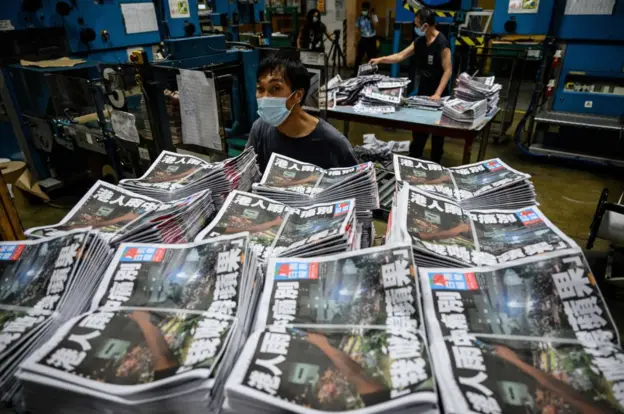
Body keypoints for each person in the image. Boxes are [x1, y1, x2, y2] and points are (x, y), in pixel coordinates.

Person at [246, 55, 358, 172]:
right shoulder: (260, 129)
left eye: (276, 88)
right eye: (260, 89)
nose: (265, 97)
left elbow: (357, 181)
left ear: (298, 95)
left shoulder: (333, 143)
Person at [370, 8, 452, 163]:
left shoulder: (442, 42)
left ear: (425, 26)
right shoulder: (420, 42)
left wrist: (437, 94)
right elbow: (400, 56)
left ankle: (436, 162)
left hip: (439, 93)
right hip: (423, 91)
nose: (415, 27)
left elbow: (448, 70)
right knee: (419, 130)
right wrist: (381, 59)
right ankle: (415, 158)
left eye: (417, 24)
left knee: (437, 133)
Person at [353, 2, 378, 74]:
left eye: (365, 10)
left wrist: (371, 17)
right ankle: (355, 72)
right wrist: (356, 40)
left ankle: (374, 72)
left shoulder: (374, 16)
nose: (364, 11)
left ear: (368, 10)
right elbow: (357, 29)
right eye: (363, 9)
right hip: (363, 39)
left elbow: (375, 26)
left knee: (372, 57)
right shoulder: (359, 18)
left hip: (372, 39)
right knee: (359, 57)